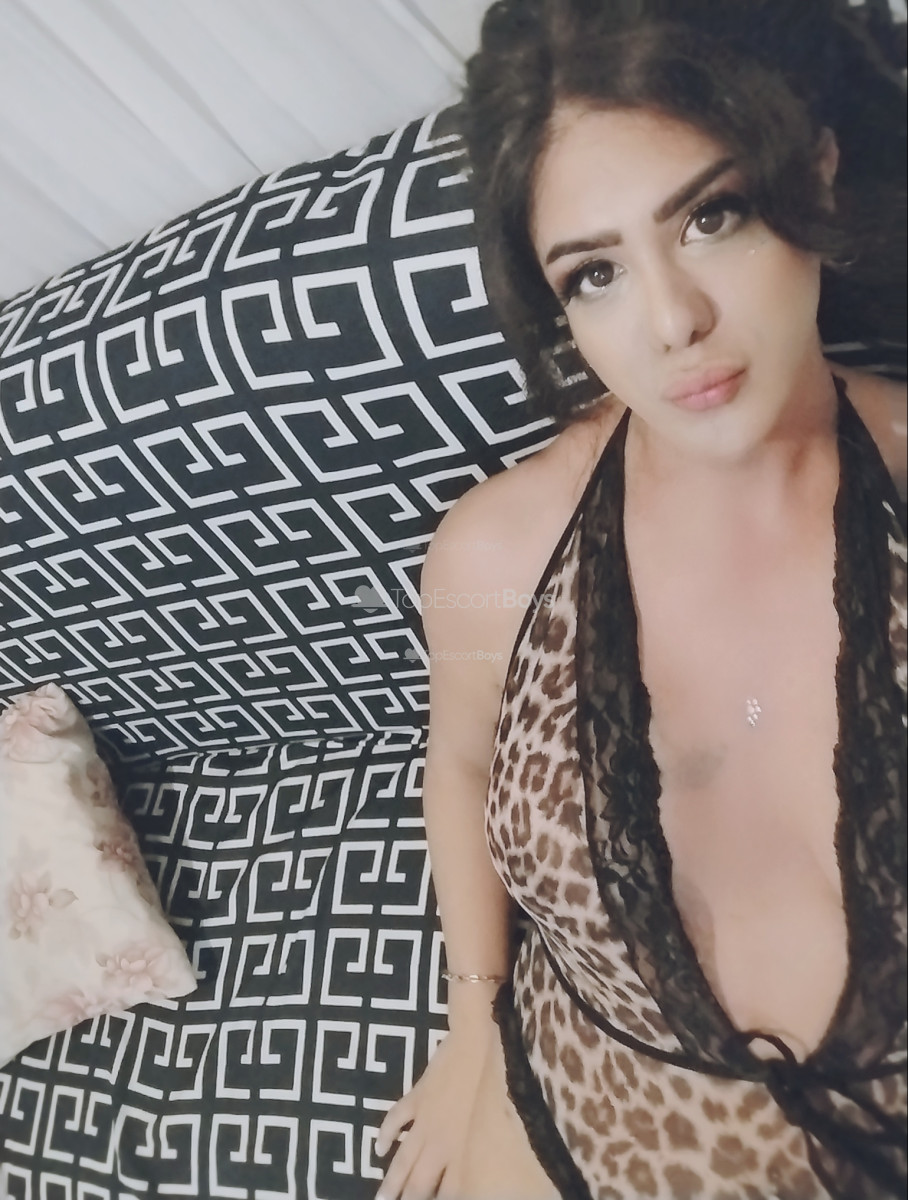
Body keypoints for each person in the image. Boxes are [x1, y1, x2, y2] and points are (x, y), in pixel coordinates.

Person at [375, 1, 907, 1197]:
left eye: (710, 217)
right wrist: (473, 1021)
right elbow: (459, 761)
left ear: (814, 169)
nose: (672, 323)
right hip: (584, 1116)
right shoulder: (499, 552)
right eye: (595, 272)